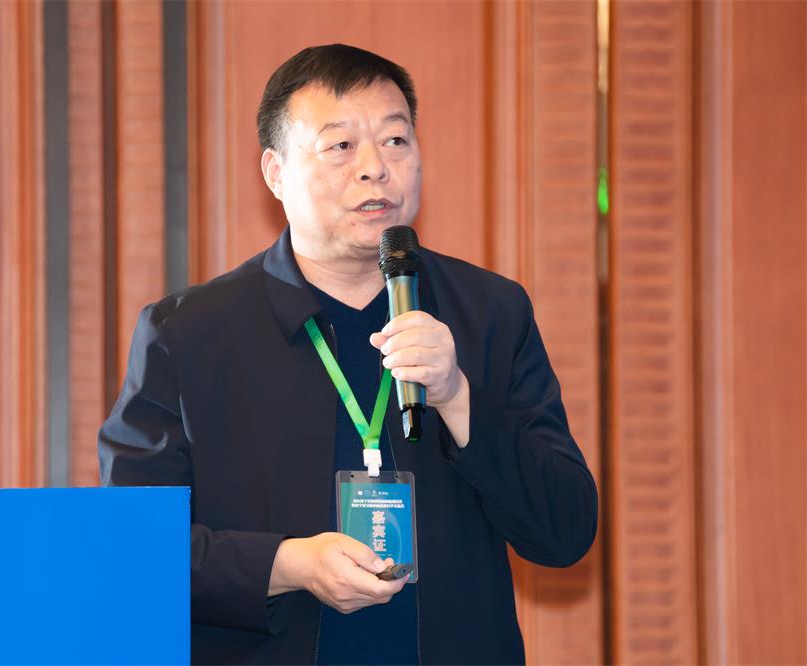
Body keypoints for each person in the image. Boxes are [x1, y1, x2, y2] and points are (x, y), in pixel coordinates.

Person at [99, 44, 597, 665]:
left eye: (395, 140)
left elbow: (564, 531)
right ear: (275, 172)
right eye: (340, 146)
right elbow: (131, 549)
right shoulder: (189, 333)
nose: (375, 169)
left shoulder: (490, 312)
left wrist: (457, 398)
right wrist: (286, 564)